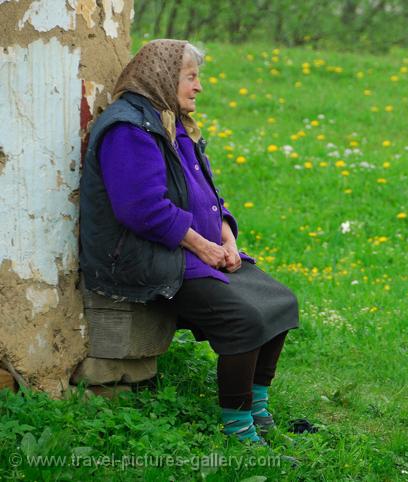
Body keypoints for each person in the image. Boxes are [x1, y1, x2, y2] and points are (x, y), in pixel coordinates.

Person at [79, 39, 299, 444]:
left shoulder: (172, 122)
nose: (198, 87)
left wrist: (227, 237)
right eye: (191, 77)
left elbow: (206, 195)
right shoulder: (130, 128)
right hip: (143, 255)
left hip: (188, 248)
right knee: (244, 319)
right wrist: (204, 247)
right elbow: (142, 210)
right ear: (162, 76)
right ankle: (238, 430)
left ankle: (258, 408)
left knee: (280, 302)